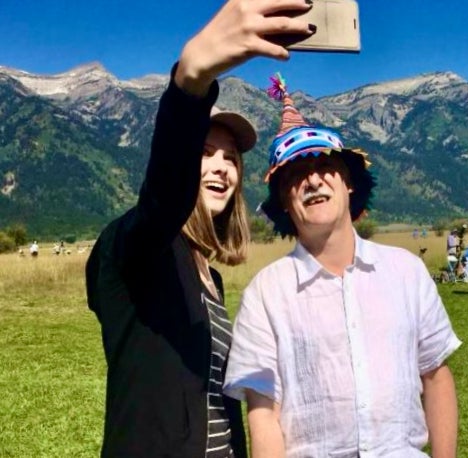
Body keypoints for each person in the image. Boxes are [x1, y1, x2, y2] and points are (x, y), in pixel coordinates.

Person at [85, 2, 316, 456]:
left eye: (231, 158)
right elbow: (163, 200)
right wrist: (190, 82)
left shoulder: (208, 275)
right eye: (205, 152)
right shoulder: (136, 249)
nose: (221, 167)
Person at [224, 76, 462, 457]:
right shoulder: (266, 293)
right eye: (296, 175)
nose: (313, 180)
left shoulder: (406, 272)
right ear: (284, 201)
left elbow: (435, 376)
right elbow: (264, 416)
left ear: (348, 183)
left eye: (324, 166)